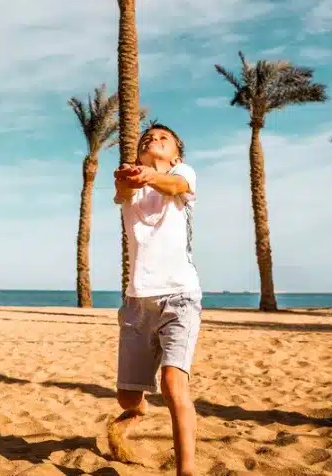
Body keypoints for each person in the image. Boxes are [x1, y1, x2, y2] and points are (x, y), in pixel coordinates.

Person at [109, 123, 201, 476]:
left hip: (180, 297)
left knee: (173, 383)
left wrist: (148, 174)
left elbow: (175, 185)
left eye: (163, 138)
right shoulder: (133, 186)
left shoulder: (182, 174)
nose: (154, 140)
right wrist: (127, 177)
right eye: (147, 139)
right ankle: (138, 409)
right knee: (127, 399)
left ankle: (186, 471)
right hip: (136, 304)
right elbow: (122, 190)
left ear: (176, 153)